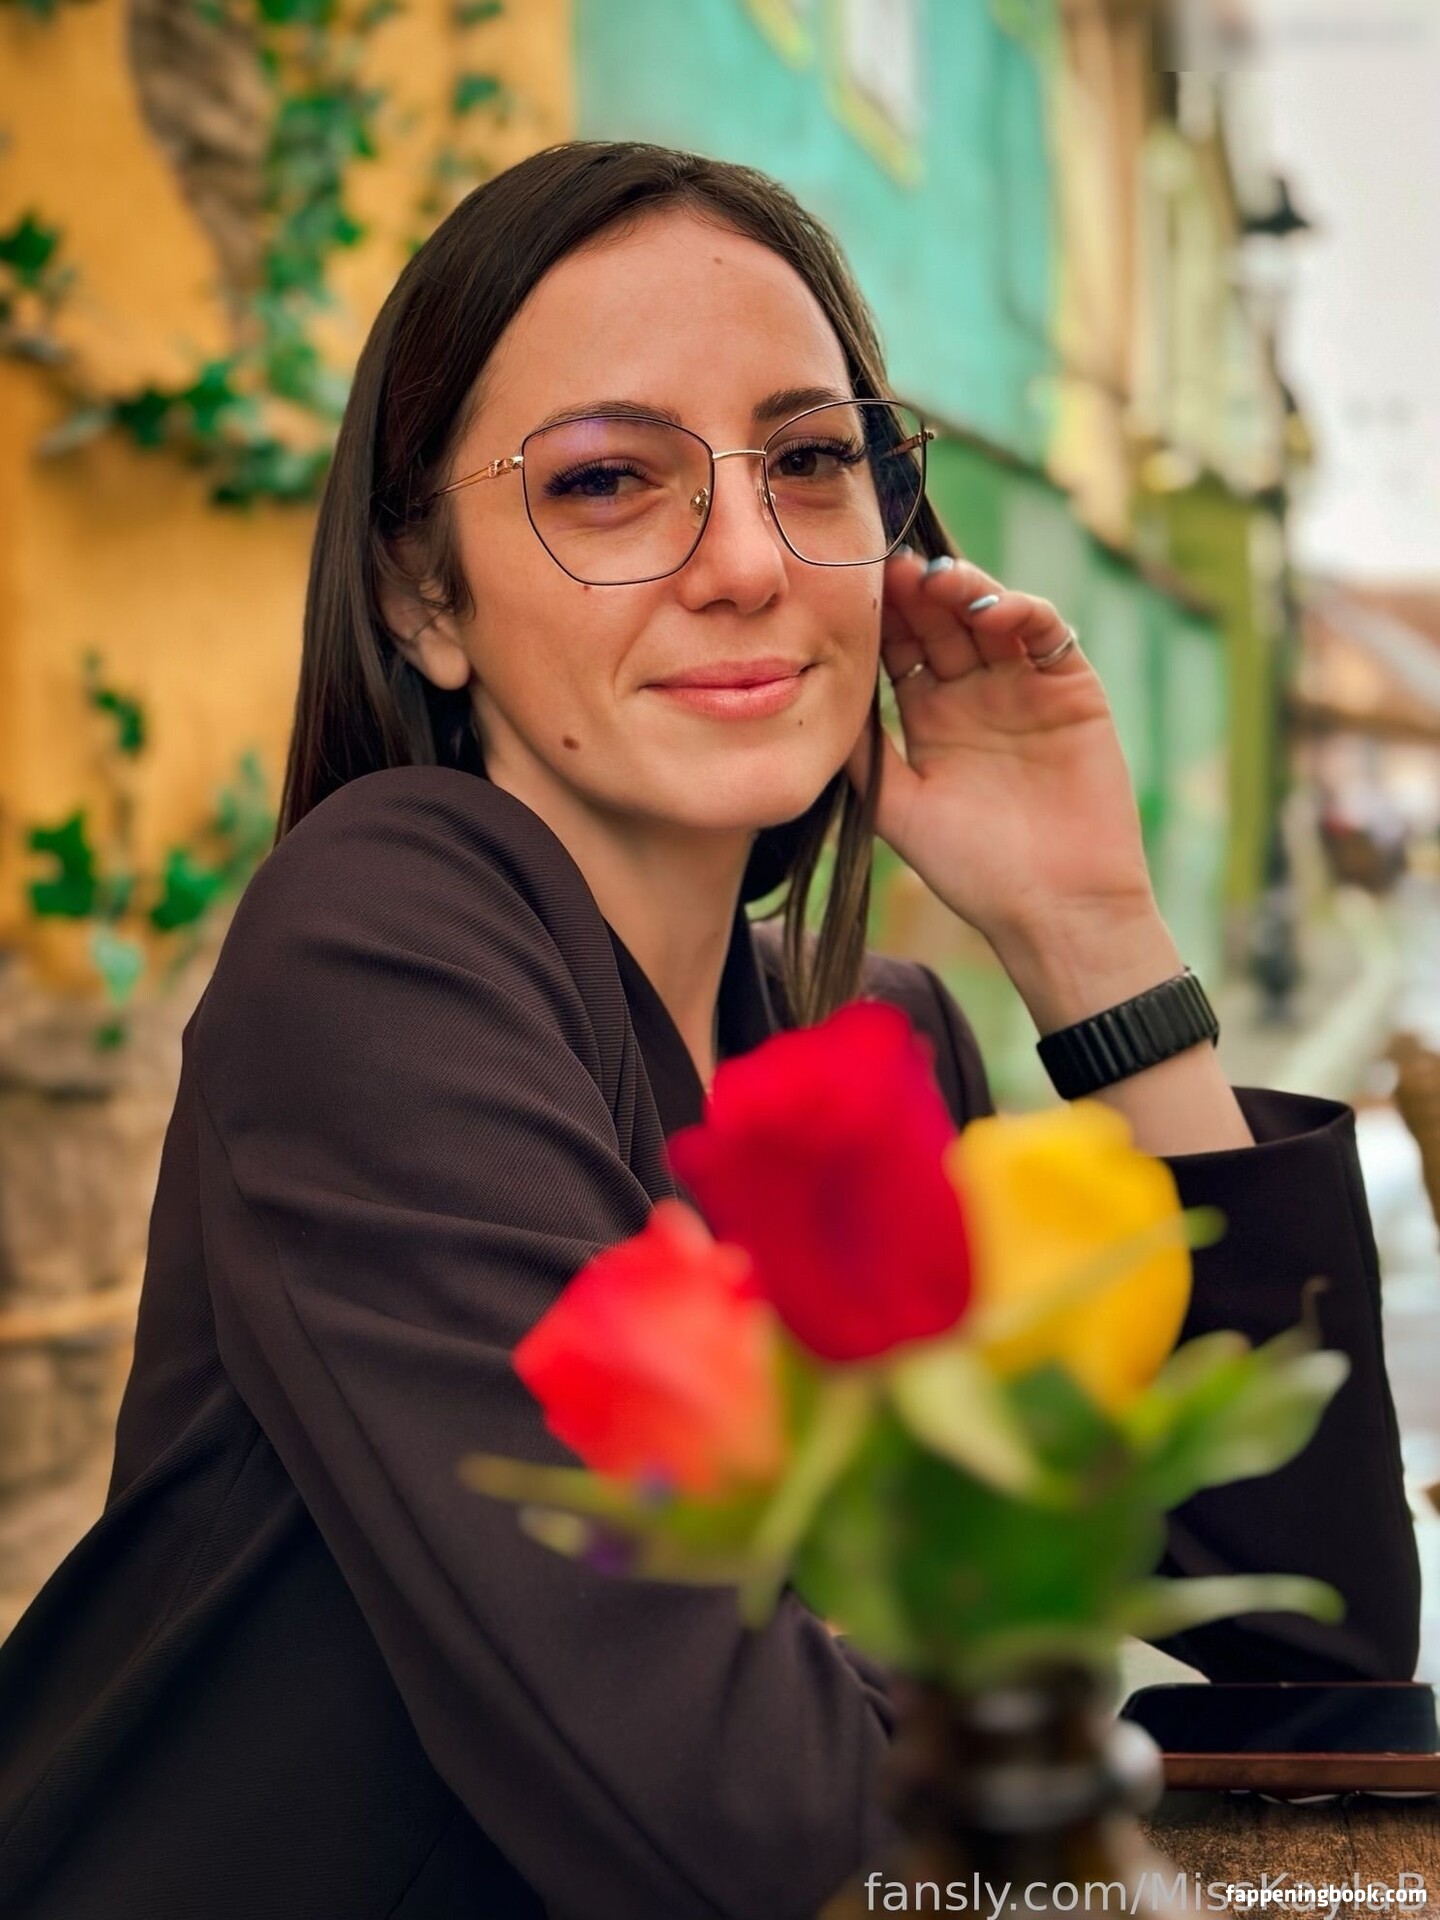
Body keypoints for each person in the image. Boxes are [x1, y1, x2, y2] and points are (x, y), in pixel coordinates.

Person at [0, 141, 1419, 1920]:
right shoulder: (376, 942)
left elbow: (1314, 1671)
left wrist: (1089, 935)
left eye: (812, 460)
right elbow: (753, 1828)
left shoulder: (870, 1062)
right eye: (609, 480)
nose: (749, 559)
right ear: (424, 598)